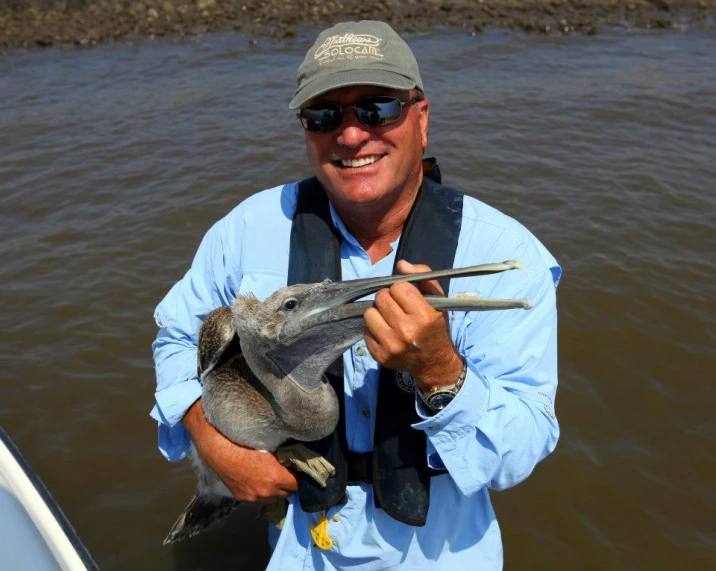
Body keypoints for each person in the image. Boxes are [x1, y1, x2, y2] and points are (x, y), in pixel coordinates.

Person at [151, 20, 561, 570]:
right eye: (324, 116)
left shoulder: (508, 254)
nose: (349, 135)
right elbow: (178, 336)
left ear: (421, 119)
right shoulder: (247, 230)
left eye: (377, 109)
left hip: (441, 554)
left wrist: (440, 372)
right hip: (300, 550)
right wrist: (214, 445)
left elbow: (523, 448)